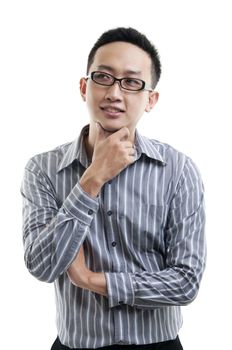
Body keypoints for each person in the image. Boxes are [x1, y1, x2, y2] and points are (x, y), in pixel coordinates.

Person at [21, 27, 206, 350]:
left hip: (157, 344)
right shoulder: (43, 169)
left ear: (151, 99)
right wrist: (91, 179)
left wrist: (93, 280)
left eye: (132, 82)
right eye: (103, 78)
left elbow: (186, 282)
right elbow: (42, 265)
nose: (115, 94)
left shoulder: (178, 170)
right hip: (77, 345)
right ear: (84, 87)